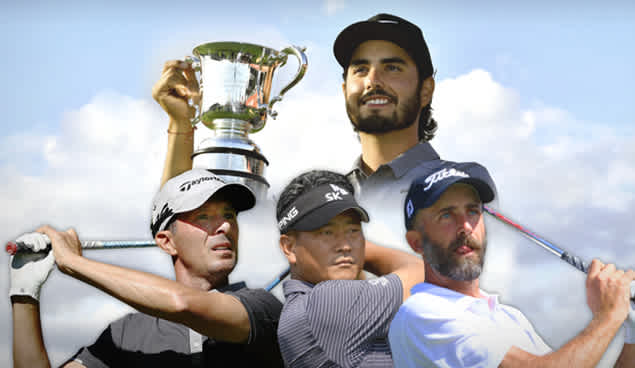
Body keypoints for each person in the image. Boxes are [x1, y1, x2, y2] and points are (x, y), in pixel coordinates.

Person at [10, 169, 284, 367]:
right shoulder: (126, 333)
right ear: (167, 242)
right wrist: (24, 295)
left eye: (229, 215)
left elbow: (182, 303)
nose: (225, 226)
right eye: (203, 216)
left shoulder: (263, 308)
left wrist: (74, 263)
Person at [388, 161, 635, 367]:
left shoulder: (510, 317)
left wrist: (631, 332)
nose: (465, 226)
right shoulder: (421, 314)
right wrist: (609, 315)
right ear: (416, 242)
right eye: (446, 215)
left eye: (473, 211)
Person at [274, 170, 426, 367]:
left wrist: (353, 252)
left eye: (353, 230)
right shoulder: (324, 303)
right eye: (327, 232)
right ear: (289, 247)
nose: (345, 245)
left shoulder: (300, 307)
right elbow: (425, 276)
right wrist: (359, 252)